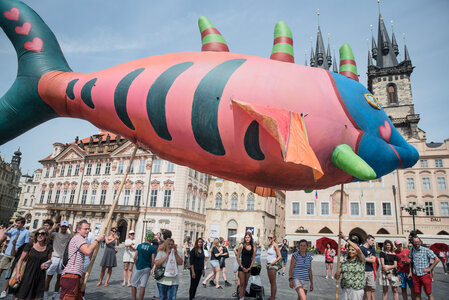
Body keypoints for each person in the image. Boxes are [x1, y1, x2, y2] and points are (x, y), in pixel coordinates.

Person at [59, 220, 105, 300]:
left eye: (88, 229)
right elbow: (87, 251)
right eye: (85, 229)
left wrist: (79, 277)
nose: (88, 231)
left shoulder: (81, 239)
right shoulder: (78, 238)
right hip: (71, 275)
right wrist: (97, 240)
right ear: (78, 230)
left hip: (75, 275)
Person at [13, 228, 52, 300]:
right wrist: (18, 273)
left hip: (39, 276)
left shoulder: (49, 247)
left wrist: (46, 264)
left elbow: (50, 260)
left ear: (46, 236)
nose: (39, 235)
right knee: (21, 296)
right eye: (38, 233)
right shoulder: (30, 245)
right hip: (27, 275)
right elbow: (20, 260)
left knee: (34, 297)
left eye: (42, 234)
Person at [0, 217, 30, 299]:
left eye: (19, 223)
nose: (17, 224)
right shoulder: (14, 230)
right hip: (7, 253)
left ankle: (4, 290)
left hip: (16, 255)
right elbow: (5, 232)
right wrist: (12, 226)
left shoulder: (26, 232)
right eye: (16, 223)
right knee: (0, 269)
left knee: (9, 274)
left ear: (23, 224)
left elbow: (26, 244)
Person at [44, 221, 73, 300]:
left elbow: (74, 238)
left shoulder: (68, 235)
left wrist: (71, 229)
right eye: (62, 226)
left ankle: (55, 294)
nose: (64, 228)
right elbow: (47, 234)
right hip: (54, 257)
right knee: (49, 276)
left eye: (65, 227)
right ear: (60, 227)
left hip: (62, 258)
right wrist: (54, 227)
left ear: (67, 227)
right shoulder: (56, 234)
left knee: (59, 278)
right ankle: (45, 293)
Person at [334, 232, 365, 300]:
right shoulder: (344, 261)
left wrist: (345, 238)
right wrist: (336, 275)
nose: (350, 251)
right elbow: (338, 273)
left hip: (356, 290)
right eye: (349, 249)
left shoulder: (361, 260)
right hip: (345, 289)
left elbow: (358, 249)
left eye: (353, 250)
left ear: (356, 252)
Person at [130, 232, 157, 300]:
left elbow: (135, 257)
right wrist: (151, 267)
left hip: (139, 266)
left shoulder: (139, 246)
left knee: (133, 283)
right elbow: (153, 260)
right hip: (147, 267)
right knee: (143, 285)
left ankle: (134, 299)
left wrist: (136, 265)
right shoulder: (152, 248)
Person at [236, 233, 256, 300]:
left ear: (250, 238)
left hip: (249, 267)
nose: (247, 238)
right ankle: (241, 297)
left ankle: (242, 296)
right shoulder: (241, 245)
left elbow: (253, 259)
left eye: (248, 237)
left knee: (246, 284)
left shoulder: (253, 247)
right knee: (241, 283)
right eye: (246, 237)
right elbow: (238, 257)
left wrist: (250, 267)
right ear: (244, 238)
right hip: (242, 266)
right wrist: (241, 266)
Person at [360, 235, 376, 300]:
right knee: (362, 288)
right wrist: (368, 258)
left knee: (369, 288)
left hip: (370, 270)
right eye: (372, 240)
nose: (373, 242)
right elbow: (360, 259)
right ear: (367, 240)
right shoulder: (361, 248)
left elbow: (373, 260)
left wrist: (364, 258)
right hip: (363, 270)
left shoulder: (372, 249)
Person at [266, 234, 281, 300]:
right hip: (268, 265)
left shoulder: (275, 245)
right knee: (271, 282)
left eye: (271, 237)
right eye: (268, 237)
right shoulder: (270, 245)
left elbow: (279, 256)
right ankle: (272, 296)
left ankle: (273, 297)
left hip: (273, 265)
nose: (270, 238)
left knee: (273, 282)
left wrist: (272, 263)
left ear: (274, 238)